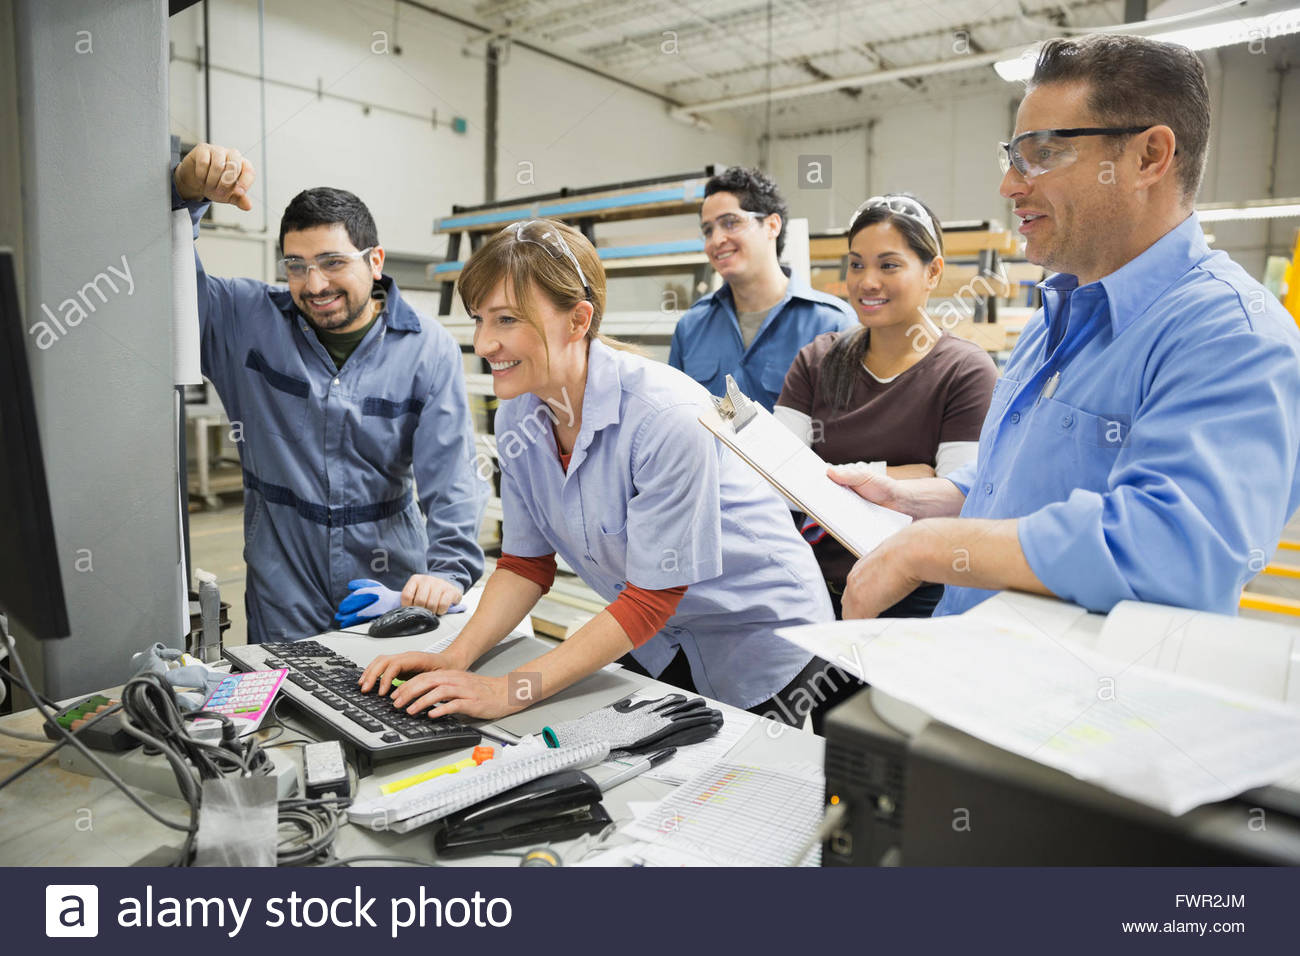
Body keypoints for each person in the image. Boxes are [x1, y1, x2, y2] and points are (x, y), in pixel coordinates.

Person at [829, 34, 1300, 621]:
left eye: (1044, 153)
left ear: (1150, 157)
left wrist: (929, 549)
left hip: (1080, 706)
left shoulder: (1233, 337)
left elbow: (1176, 551)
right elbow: (1016, 486)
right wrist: (923, 500)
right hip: (968, 680)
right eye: (1014, 156)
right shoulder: (1055, 320)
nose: (1011, 185)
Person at [360, 219, 834, 724]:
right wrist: (453, 656)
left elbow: (651, 599)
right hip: (662, 638)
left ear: (578, 320)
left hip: (763, 637)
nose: (482, 344)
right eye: (479, 320)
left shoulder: (665, 416)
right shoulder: (520, 415)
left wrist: (507, 691)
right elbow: (525, 565)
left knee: (725, 791)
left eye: (506, 321)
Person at [172, 144, 487, 643]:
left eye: (332, 262)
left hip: (387, 581)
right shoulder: (246, 320)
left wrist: (448, 572)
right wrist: (183, 199)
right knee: (290, 706)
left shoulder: (427, 350)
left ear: (375, 260)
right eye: (295, 265)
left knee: (390, 706)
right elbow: (170, 292)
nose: (313, 283)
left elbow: (450, 478)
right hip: (283, 582)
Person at [775, 194, 997, 619]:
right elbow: (774, 481)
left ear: (933, 272)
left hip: (913, 596)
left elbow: (955, 504)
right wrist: (905, 476)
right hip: (807, 585)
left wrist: (816, 480)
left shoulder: (965, 371)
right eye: (856, 264)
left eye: (888, 265)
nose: (866, 281)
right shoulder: (817, 360)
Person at [669, 167, 855, 411]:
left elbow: (849, 432)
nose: (716, 240)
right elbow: (676, 417)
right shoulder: (690, 327)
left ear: (772, 225)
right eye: (708, 230)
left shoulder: (833, 324)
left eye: (730, 223)